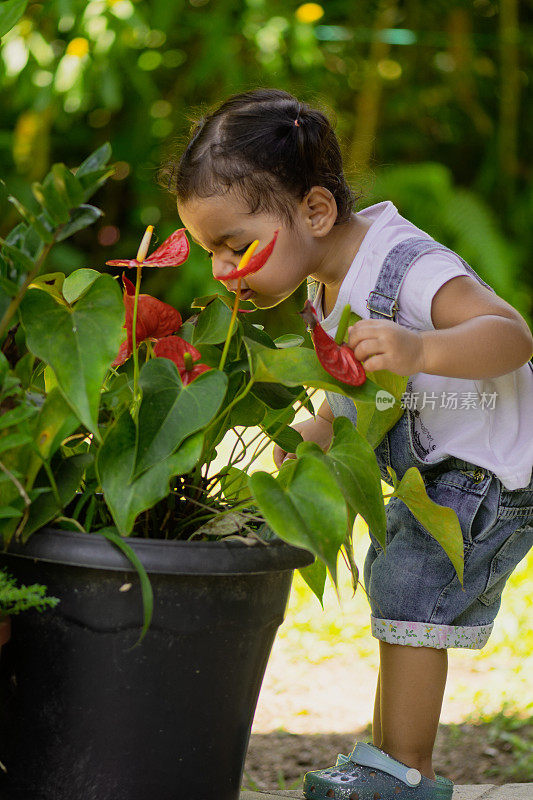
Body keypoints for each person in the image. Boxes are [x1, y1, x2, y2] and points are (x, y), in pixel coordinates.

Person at [161, 87, 533, 800]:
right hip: (443, 471)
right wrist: (323, 425)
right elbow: (355, 382)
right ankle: (386, 761)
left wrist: (420, 347)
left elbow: (511, 336)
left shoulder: (408, 267)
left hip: (492, 469)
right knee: (400, 595)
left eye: (234, 245)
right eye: (211, 251)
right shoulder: (321, 280)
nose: (220, 269)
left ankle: (408, 772)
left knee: (409, 591)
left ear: (315, 211)